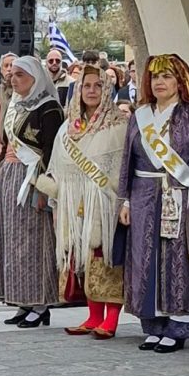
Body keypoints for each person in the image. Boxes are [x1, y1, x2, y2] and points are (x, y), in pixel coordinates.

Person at [37, 65, 127, 339]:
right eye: (86, 86)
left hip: (106, 202)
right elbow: (58, 165)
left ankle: (111, 319)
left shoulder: (119, 125)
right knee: (83, 258)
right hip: (75, 202)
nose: (91, 91)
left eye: (97, 86)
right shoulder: (68, 126)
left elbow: (122, 166)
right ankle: (92, 316)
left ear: (107, 89)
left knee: (106, 259)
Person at [118, 53, 189, 353]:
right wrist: (123, 200)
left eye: (167, 76)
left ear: (180, 81)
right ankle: (153, 323)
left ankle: (177, 325)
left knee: (176, 260)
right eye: (155, 76)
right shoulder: (140, 116)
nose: (160, 82)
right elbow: (127, 160)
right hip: (143, 195)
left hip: (179, 193)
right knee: (144, 257)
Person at [0, 56, 63, 328]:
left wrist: (45, 184)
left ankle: (41, 303)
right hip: (9, 176)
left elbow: (53, 150)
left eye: (21, 75)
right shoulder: (16, 106)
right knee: (12, 240)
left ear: (36, 77)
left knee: (33, 242)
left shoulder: (49, 108)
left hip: (32, 179)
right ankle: (22, 300)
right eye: (13, 74)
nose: (14, 79)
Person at [0, 52, 16, 140]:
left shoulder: (25, 91)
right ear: (1, 70)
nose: (9, 69)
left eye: (12, 65)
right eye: (6, 66)